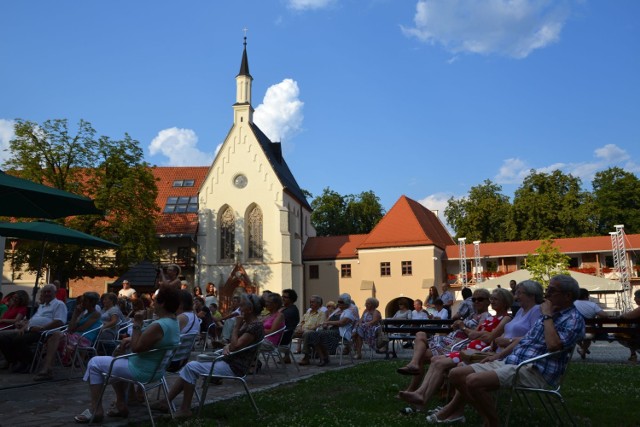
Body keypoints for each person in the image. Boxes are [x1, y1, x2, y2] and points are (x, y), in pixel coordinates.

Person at [432, 274, 585, 426]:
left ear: (567, 296)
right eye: (547, 289)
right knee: (456, 374)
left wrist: (546, 317)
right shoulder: (547, 314)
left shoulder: (572, 318)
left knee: (473, 381)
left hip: (534, 370)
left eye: (552, 290)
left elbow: (553, 345)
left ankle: (492, 422)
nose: (547, 294)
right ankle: (487, 418)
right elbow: (523, 339)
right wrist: (498, 355)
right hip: (512, 361)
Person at [74, 286, 180, 423]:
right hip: (156, 371)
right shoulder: (173, 322)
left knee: (94, 363)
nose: (153, 304)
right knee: (116, 359)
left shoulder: (159, 325)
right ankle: (120, 404)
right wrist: (129, 339)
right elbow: (152, 340)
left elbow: (136, 347)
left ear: (163, 303)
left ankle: (96, 410)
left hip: (141, 371)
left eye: (155, 301)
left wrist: (137, 323)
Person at [398, 288, 513, 408]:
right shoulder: (491, 318)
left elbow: (487, 337)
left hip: (476, 353)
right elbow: (478, 334)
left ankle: (421, 396)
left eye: (495, 299)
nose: (492, 301)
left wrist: (465, 328)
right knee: (434, 359)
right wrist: (478, 333)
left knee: (438, 362)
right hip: (468, 348)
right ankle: (419, 393)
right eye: (491, 299)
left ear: (505, 302)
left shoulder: (505, 318)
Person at [158, 293, 265, 418]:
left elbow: (236, 345)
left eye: (241, 306)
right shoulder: (250, 324)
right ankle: (165, 402)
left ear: (250, 309)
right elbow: (234, 345)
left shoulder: (254, 326)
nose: (239, 309)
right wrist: (227, 346)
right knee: (192, 365)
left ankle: (184, 409)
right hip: (229, 361)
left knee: (191, 367)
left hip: (235, 367)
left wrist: (236, 327)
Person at [396, 288, 492, 378]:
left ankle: (414, 377)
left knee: (421, 354)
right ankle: (414, 364)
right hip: (450, 338)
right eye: (474, 299)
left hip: (456, 344)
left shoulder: (486, 317)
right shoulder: (473, 314)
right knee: (420, 334)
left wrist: (462, 326)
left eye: (480, 299)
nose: (476, 302)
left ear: (488, 301)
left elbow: (475, 335)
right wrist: (456, 326)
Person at [33, 291, 102, 381]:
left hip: (84, 339)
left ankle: (47, 369)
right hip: (75, 337)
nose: (82, 303)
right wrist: (75, 314)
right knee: (53, 339)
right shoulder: (84, 313)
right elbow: (70, 328)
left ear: (92, 302)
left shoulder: (96, 314)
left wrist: (75, 324)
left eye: (84, 301)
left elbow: (81, 329)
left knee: (55, 336)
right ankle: (47, 369)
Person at [0, 284, 67, 373]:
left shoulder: (59, 304)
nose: (46, 294)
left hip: (45, 332)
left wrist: (42, 328)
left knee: (18, 340)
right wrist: (23, 327)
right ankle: (14, 361)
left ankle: (31, 362)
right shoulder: (42, 306)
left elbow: (59, 321)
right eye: (44, 292)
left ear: (55, 293)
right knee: (2, 337)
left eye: (49, 292)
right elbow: (32, 320)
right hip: (29, 329)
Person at [306, 293, 358, 367]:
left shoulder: (349, 311)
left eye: (341, 302)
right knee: (313, 334)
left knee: (320, 335)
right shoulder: (338, 310)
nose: (338, 304)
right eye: (338, 302)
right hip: (331, 329)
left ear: (346, 303)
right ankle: (323, 357)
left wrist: (328, 322)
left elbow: (341, 323)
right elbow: (328, 319)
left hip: (340, 332)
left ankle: (324, 358)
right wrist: (325, 324)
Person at [574, 288, 608, 359]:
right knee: (588, 335)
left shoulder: (572, 304)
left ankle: (582, 348)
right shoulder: (592, 305)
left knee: (575, 334)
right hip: (589, 332)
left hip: (574, 331)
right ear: (587, 296)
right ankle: (583, 349)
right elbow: (605, 316)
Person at [295, 295, 327, 361]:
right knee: (288, 332)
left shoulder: (321, 314)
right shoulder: (308, 313)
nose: (311, 303)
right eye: (310, 302)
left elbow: (320, 325)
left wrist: (306, 330)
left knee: (307, 334)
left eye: (313, 302)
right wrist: (299, 328)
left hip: (312, 332)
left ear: (318, 304)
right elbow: (301, 322)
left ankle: (306, 357)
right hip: (302, 331)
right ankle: (286, 355)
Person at [618, 289, 640, 362]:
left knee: (625, 335)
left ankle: (634, 354)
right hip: (636, 333)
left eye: (635, 297)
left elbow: (625, 316)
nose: (634, 299)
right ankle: (633, 355)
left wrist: (622, 315)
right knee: (630, 333)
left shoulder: (639, 310)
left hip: (637, 335)